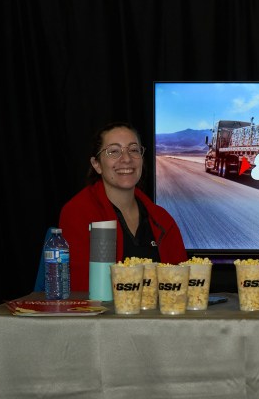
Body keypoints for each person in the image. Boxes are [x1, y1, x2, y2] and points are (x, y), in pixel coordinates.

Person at [60, 121, 188, 291]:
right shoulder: (78, 212)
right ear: (97, 164)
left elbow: (182, 287)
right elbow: (79, 290)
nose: (127, 159)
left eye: (134, 150)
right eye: (114, 151)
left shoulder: (162, 219)